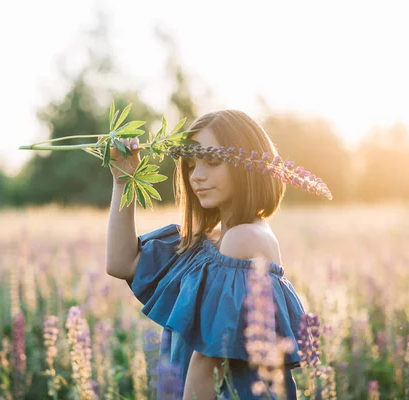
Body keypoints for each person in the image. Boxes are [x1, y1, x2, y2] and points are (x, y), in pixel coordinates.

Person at [106, 109, 306, 399]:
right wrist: (123, 179)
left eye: (212, 162)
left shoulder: (244, 238)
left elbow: (206, 362)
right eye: (191, 165)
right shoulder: (207, 241)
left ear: (245, 166)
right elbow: (121, 262)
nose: (197, 176)